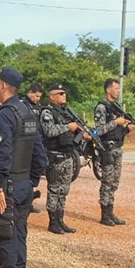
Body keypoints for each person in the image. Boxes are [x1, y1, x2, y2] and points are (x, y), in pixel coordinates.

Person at [0, 68, 47, 268]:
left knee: (6, 236)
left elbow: (3, 153)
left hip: (9, 186)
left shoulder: (6, 115)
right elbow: (40, 154)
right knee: (20, 236)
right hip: (23, 185)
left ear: (3, 86)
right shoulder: (28, 112)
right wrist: (31, 182)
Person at [40, 83, 90, 235]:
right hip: (56, 156)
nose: (64, 95)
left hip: (68, 155)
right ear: (52, 96)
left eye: (64, 93)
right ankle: (53, 222)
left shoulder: (66, 112)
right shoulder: (47, 112)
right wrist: (69, 127)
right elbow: (49, 131)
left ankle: (60, 220)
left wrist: (83, 134)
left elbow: (73, 131)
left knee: (64, 191)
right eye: (60, 93)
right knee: (54, 190)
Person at [94, 78, 135, 226]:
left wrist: (126, 129)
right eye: (116, 88)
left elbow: (117, 132)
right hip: (107, 149)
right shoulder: (101, 108)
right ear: (108, 89)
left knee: (114, 183)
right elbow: (97, 131)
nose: (118, 91)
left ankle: (111, 213)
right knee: (107, 182)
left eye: (118, 88)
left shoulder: (116, 107)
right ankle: (105, 214)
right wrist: (115, 122)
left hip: (117, 148)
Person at [22, 83, 45, 213]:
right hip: (27, 143)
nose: (37, 99)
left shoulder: (38, 107)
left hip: (37, 142)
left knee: (37, 169)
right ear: (29, 92)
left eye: (39, 97)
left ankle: (29, 200)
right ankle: (26, 202)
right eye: (36, 96)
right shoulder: (23, 105)